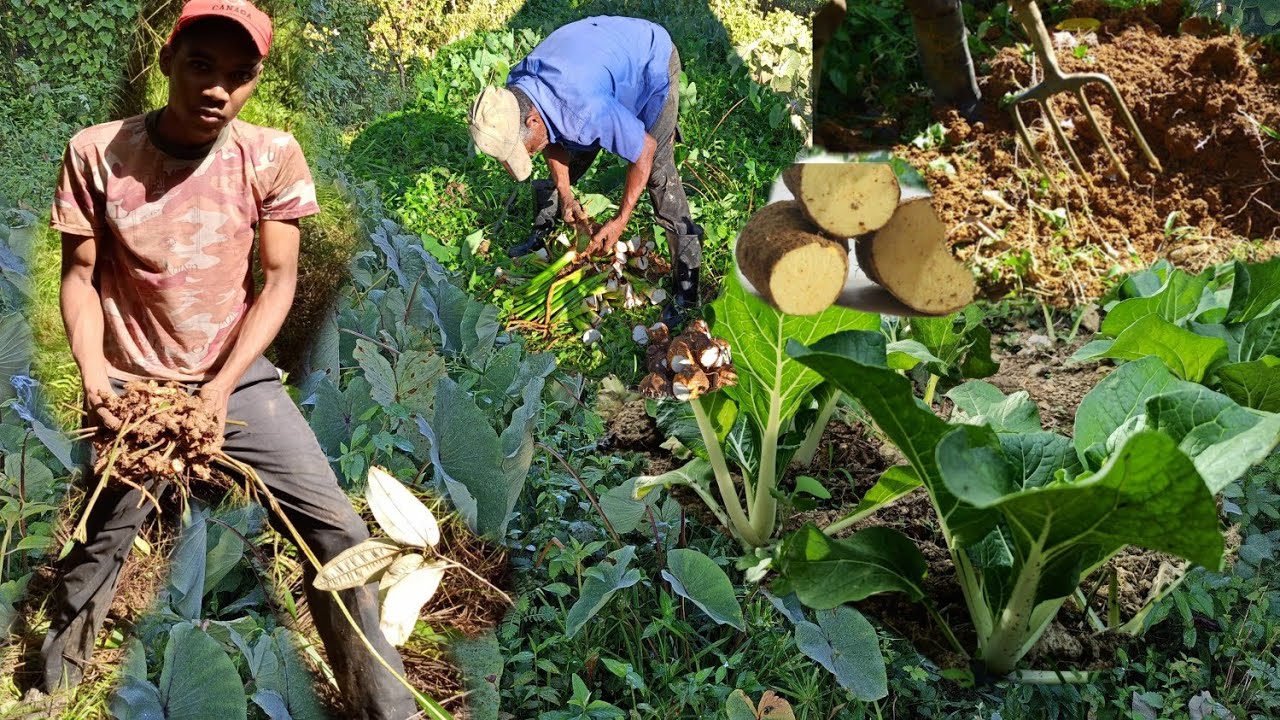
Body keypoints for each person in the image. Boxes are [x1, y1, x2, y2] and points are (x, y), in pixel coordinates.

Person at [33, 2, 418, 718]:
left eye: (238, 76)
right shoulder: (99, 153)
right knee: (100, 546)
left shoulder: (270, 155)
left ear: (253, 82)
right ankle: (48, 690)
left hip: (235, 377)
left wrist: (218, 388)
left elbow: (279, 283)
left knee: (337, 532)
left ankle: (385, 708)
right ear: (167, 62)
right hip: (133, 384)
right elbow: (79, 280)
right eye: (202, 66)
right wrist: (96, 379)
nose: (217, 89)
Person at [468, 16, 703, 327]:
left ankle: (688, 290)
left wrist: (621, 219)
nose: (529, 154)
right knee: (571, 143)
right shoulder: (518, 92)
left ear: (532, 122)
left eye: (525, 148)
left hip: (650, 59)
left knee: (659, 172)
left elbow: (643, 150)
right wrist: (566, 194)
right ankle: (545, 228)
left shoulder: (583, 110)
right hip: (597, 64)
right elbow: (550, 138)